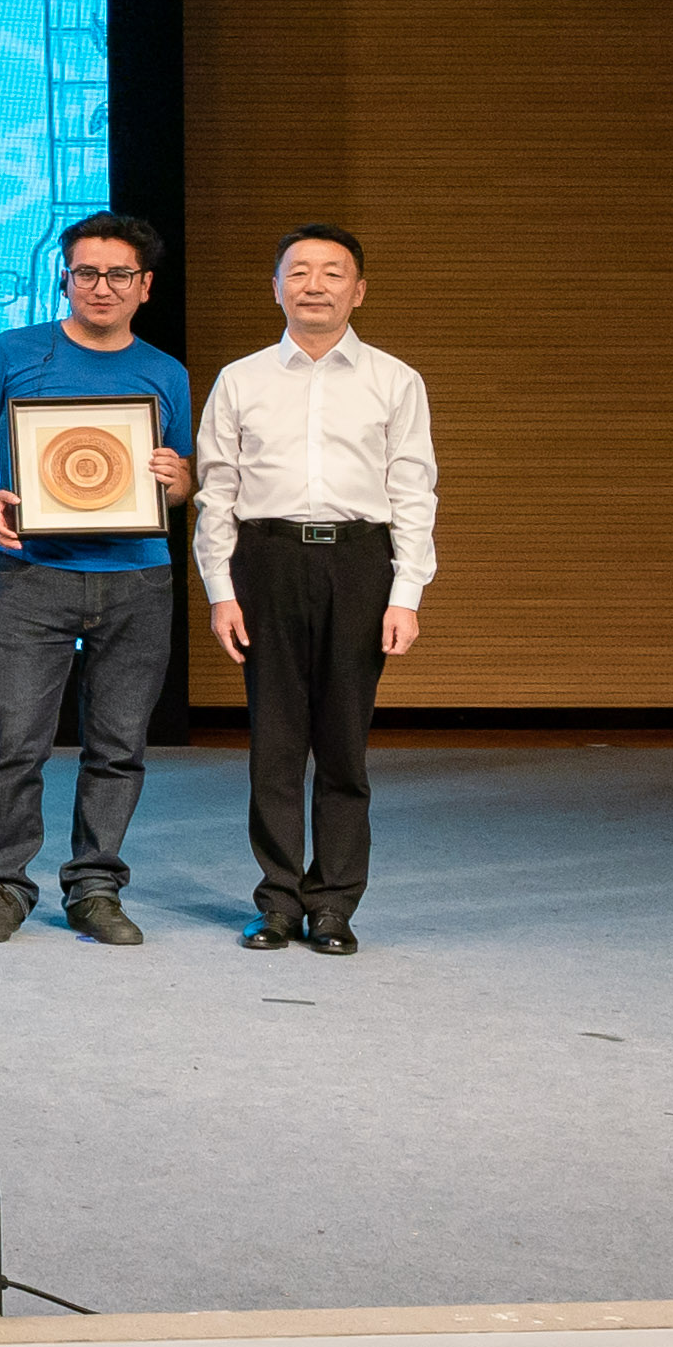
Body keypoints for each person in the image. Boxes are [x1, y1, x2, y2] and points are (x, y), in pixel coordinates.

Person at [0, 208, 197, 949]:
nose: (101, 286)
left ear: (145, 285)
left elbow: (182, 483)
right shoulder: (15, 350)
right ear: (64, 278)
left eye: (118, 274)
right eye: (86, 272)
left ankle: (95, 887)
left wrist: (175, 477)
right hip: (33, 576)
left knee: (118, 744)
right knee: (15, 738)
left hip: (138, 580)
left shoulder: (166, 372)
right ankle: (3, 885)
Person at [195, 219, 439, 953]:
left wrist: (406, 595)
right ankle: (277, 901)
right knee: (273, 743)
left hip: (359, 563)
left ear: (358, 291)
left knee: (342, 745)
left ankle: (332, 904)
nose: (315, 286)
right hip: (266, 561)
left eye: (333, 273)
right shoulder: (241, 379)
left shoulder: (395, 379)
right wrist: (219, 588)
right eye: (298, 272)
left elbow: (414, 491)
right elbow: (216, 491)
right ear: (275, 288)